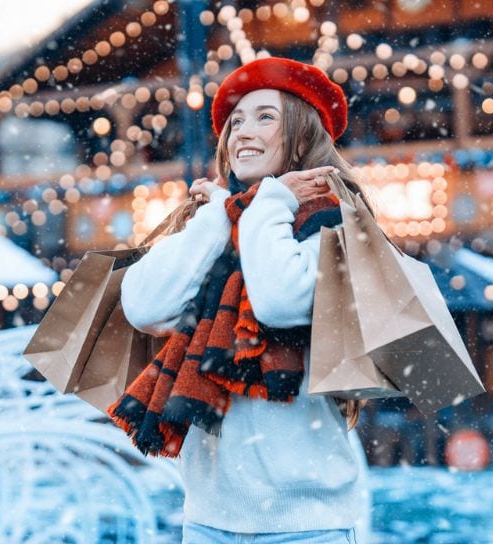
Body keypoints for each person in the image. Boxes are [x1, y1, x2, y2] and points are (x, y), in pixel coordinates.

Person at [108, 57, 371, 543]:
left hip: (305, 527)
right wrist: (215, 218)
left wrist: (269, 202)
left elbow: (278, 299)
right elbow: (145, 306)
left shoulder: (331, 224)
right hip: (208, 522)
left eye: (266, 117)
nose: (243, 132)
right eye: (236, 122)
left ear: (302, 135)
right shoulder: (214, 221)